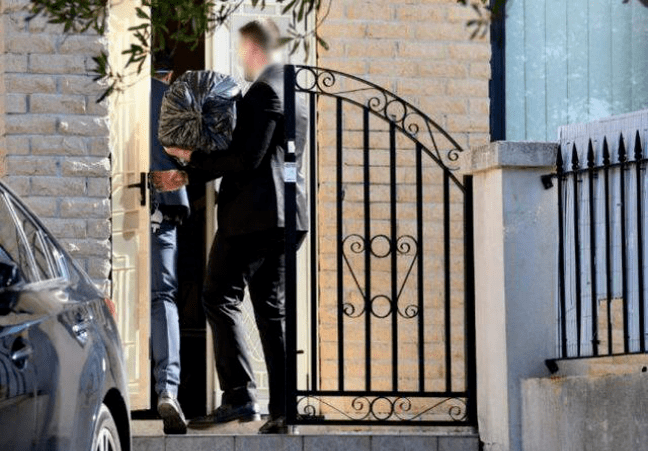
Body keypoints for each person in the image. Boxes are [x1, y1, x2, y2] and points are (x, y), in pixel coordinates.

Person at [160, 19, 308, 434]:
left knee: (217, 295)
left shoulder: (265, 91)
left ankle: (240, 396)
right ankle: (283, 411)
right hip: (283, 215)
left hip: (254, 218)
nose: (240, 59)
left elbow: (246, 158)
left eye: (242, 50)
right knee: (271, 312)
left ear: (254, 48)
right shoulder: (294, 91)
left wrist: (190, 161)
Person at [149, 52, 190, 435]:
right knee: (163, 297)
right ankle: (168, 389)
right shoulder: (173, 99)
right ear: (169, 73)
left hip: (119, 211)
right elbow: (187, 158)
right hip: (161, 212)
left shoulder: (119, 95)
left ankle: (120, 387)